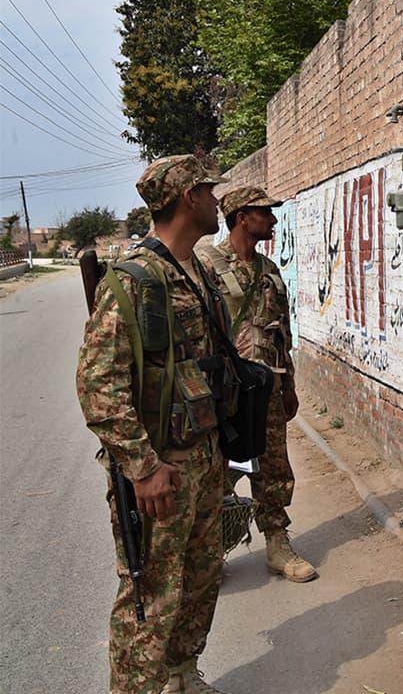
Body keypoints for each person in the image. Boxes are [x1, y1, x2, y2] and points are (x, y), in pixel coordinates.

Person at [77, 154, 233, 694]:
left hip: (205, 458)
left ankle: (182, 677)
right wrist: (142, 468)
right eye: (210, 191)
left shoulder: (199, 271)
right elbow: (98, 385)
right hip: (161, 470)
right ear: (188, 197)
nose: (218, 201)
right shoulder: (137, 280)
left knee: (201, 579)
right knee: (151, 598)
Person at [196, 186, 316, 583]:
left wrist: (289, 385)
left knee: (273, 467)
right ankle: (206, 553)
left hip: (265, 392)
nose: (274, 220)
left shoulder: (269, 271)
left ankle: (277, 544)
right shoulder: (206, 266)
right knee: (214, 471)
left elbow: (283, 333)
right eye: (266, 213)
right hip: (221, 392)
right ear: (242, 217)